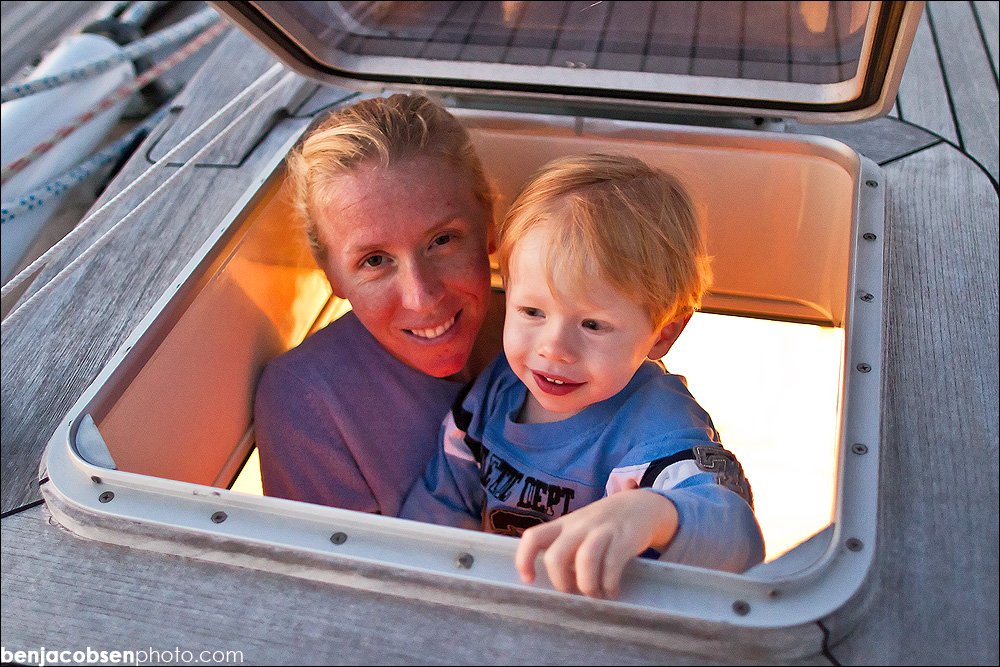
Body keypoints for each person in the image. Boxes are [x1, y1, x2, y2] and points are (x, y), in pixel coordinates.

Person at [401, 153, 765, 599]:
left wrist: (651, 512)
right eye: (532, 311)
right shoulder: (498, 388)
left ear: (663, 333)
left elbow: (740, 541)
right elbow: (439, 502)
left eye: (593, 324)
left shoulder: (658, 426)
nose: (553, 347)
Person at [253, 93, 504, 516]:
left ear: (490, 225)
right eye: (374, 261)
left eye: (442, 240)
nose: (422, 298)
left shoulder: (567, 331)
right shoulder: (309, 401)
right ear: (331, 273)